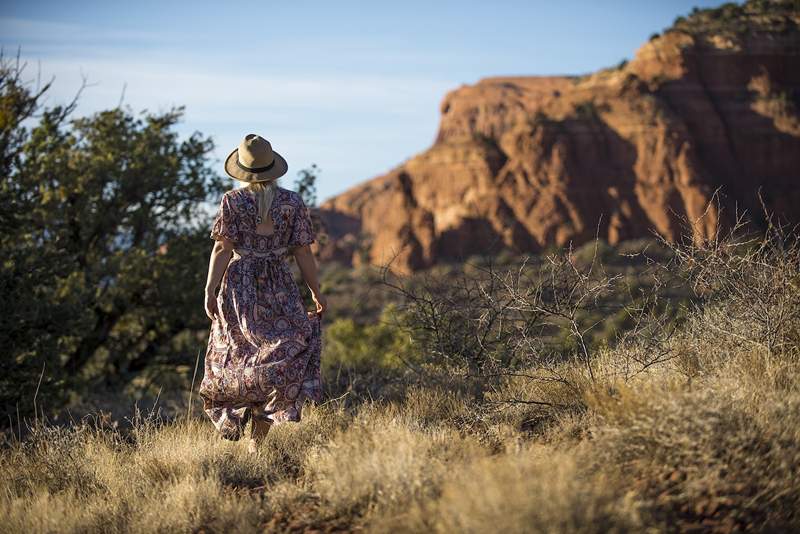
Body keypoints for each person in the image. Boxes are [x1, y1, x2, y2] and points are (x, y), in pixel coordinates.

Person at [198, 133, 327, 453]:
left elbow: (221, 249)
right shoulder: (292, 202)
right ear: (273, 168)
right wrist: (316, 292)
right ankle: (258, 439)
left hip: (239, 287)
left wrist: (210, 289)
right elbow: (303, 254)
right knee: (279, 355)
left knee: (238, 356)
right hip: (279, 284)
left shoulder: (232, 201)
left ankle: (236, 421)